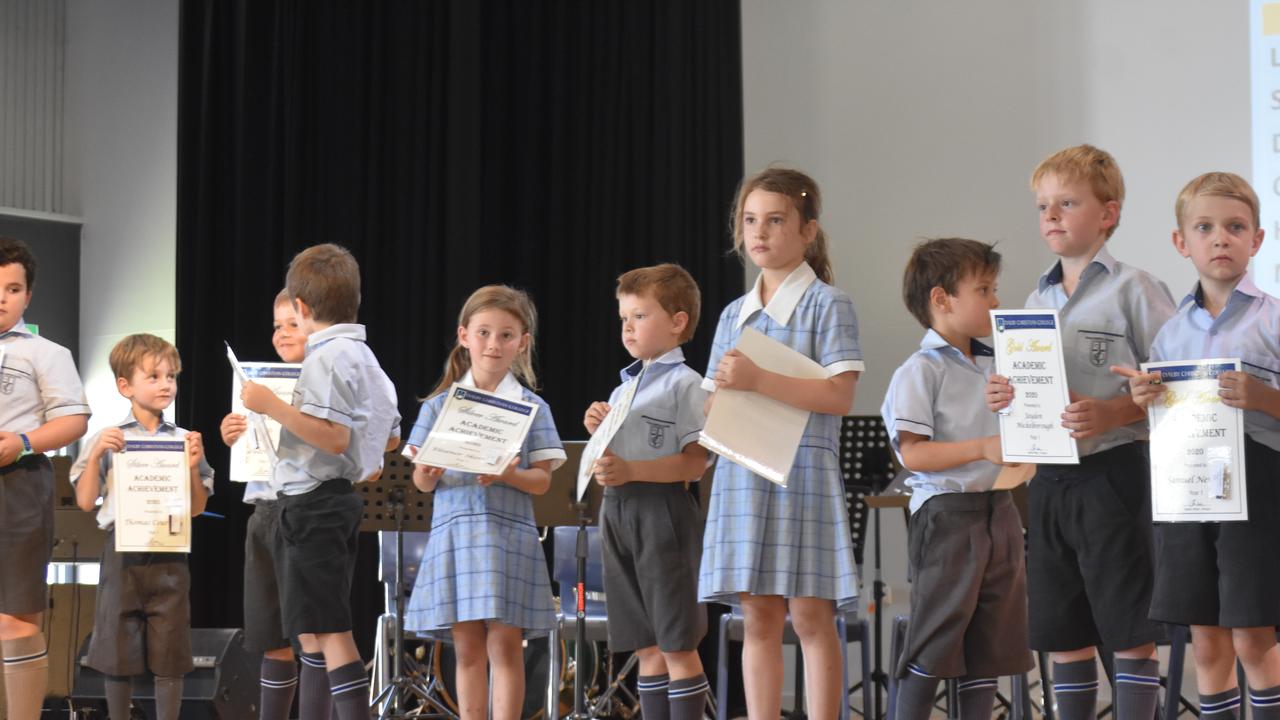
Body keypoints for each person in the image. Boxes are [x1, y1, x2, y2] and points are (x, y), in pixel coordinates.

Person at [985, 144, 1175, 720]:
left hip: (1113, 478)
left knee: (1126, 624)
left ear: (1108, 214)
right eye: (1044, 205)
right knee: (1062, 627)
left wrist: (1116, 411)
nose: (1051, 216)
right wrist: (1004, 398)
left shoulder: (1136, 290)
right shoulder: (1034, 299)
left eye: (1067, 203)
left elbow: (1174, 387)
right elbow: (1027, 387)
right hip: (1047, 483)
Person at [700, 168, 862, 719]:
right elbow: (711, 403)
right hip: (742, 471)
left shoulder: (827, 305)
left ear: (807, 230)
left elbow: (840, 395)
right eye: (750, 221)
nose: (760, 233)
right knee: (759, 617)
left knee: (812, 617)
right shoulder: (732, 314)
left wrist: (758, 381)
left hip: (802, 472)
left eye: (775, 220)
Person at [1120, 172, 1280, 720]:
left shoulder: (1274, 320)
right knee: (1206, 642)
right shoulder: (1171, 333)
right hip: (1187, 495)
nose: (1220, 239)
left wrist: (1264, 397)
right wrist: (1145, 398)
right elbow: (1164, 415)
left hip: (1256, 495)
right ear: (1181, 241)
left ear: (1256, 240)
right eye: (1205, 227)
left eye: (1235, 227)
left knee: (1253, 639)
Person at [240, 243, 401, 720]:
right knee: (321, 626)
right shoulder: (365, 356)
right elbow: (389, 437)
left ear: (304, 308)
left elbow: (331, 438)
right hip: (331, 501)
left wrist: (272, 405)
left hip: (313, 504)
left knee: (331, 631)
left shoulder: (326, 357)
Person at [881, 238, 1032, 720]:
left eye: (994, 288)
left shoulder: (998, 363)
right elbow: (914, 454)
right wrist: (983, 447)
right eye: (984, 289)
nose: (995, 300)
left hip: (1000, 511)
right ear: (941, 299)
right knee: (936, 639)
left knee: (989, 647)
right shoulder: (919, 371)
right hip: (947, 516)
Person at [403, 285, 565, 720]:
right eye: (484, 333)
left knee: (506, 644)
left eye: (507, 335)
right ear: (464, 336)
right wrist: (427, 471)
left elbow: (542, 482)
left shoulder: (533, 407)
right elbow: (420, 481)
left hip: (508, 537)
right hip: (456, 534)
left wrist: (510, 473)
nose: (494, 344)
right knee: (467, 647)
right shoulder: (439, 407)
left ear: (522, 342)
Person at [583, 263, 711, 719]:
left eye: (640, 316)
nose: (628, 327)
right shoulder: (624, 389)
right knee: (647, 645)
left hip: (662, 514)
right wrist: (599, 431)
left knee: (676, 642)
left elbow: (695, 464)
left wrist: (632, 468)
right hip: (618, 514)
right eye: (624, 319)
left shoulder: (688, 384)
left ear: (678, 322)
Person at [70, 334, 214, 720]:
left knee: (171, 652)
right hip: (122, 552)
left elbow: (198, 507)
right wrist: (99, 450)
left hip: (170, 552)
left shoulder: (185, 440)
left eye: (171, 375)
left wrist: (192, 468)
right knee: (118, 650)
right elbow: (85, 501)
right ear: (125, 386)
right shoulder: (111, 438)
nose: (166, 384)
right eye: (153, 376)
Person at [220, 289, 331, 720]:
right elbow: (249, 447)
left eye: (293, 324)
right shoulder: (257, 383)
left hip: (305, 513)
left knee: (313, 633)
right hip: (263, 513)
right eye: (276, 326)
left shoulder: (323, 384)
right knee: (271, 635)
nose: (282, 334)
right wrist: (232, 433)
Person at [0, 236, 91, 720]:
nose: (1, 297)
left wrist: (23, 441)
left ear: (27, 296)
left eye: (12, 289)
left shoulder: (46, 353)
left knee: (16, 619)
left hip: (18, 484)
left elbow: (74, 420)